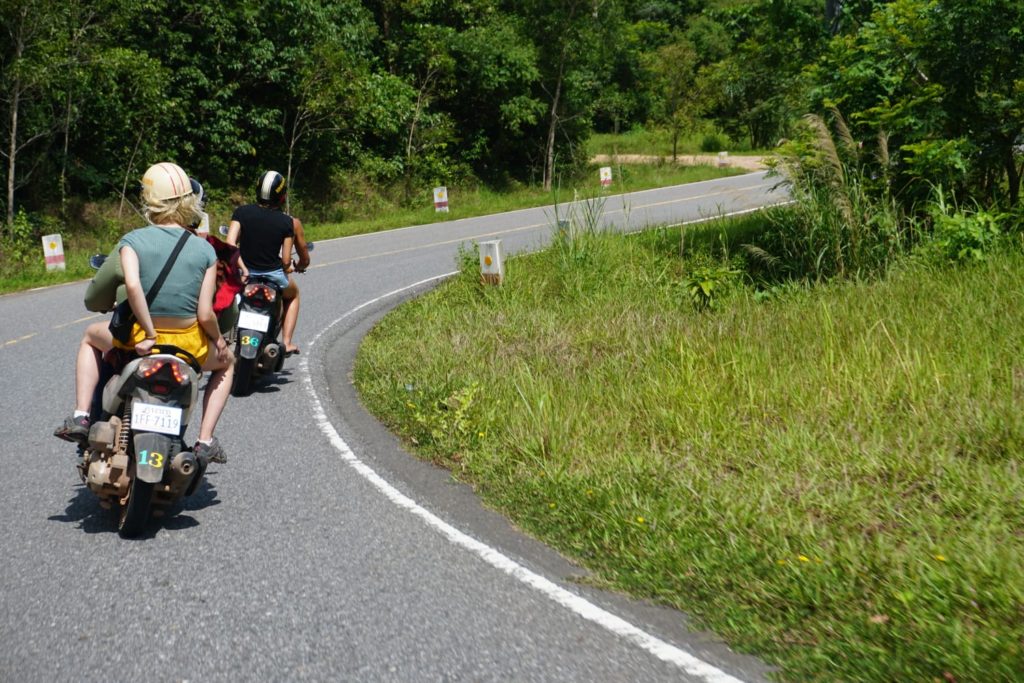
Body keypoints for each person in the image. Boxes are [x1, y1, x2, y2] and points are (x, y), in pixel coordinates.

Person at [54, 162, 235, 465]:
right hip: (188, 345)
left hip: (139, 340)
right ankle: (205, 440)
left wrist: (150, 332)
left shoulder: (133, 241)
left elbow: (134, 287)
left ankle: (82, 416)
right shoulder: (205, 251)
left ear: (149, 200)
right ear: (189, 200)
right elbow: (205, 313)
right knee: (228, 365)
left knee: (88, 337)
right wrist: (218, 342)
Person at [227, 170, 310, 355]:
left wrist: (242, 267)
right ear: (282, 197)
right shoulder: (287, 222)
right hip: (273, 276)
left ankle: (225, 336)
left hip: (245, 275)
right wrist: (294, 266)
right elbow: (287, 260)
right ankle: (287, 342)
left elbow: (230, 244)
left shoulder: (241, 212)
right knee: (293, 295)